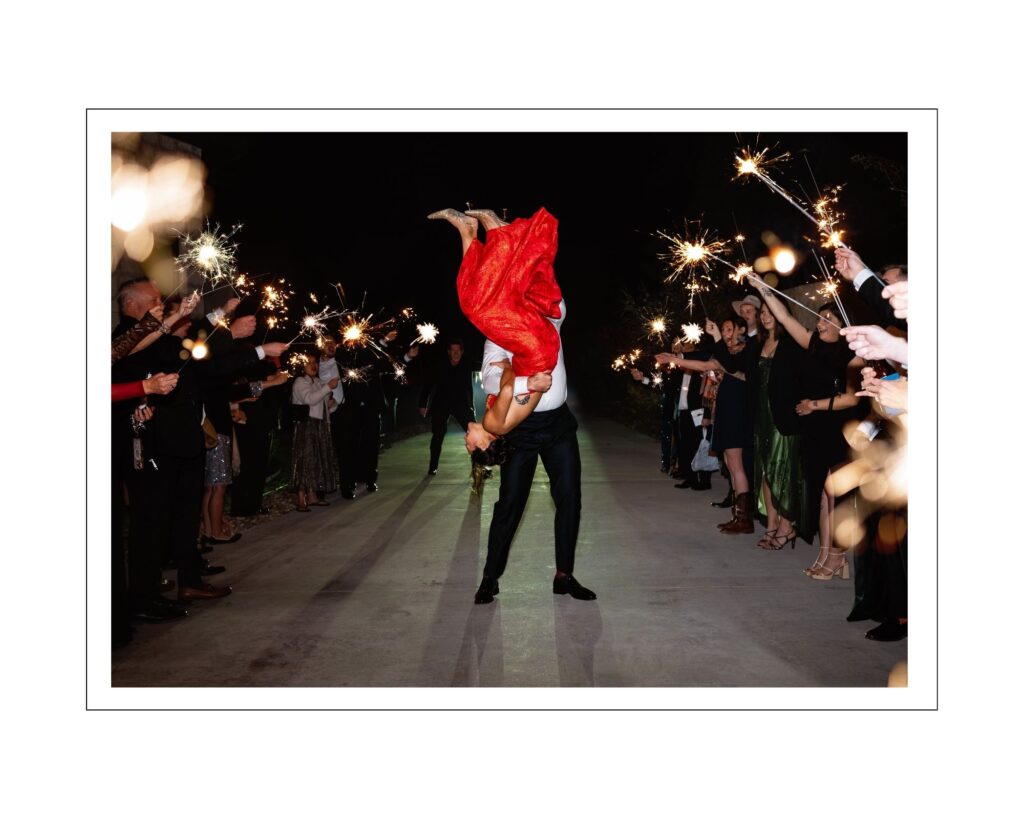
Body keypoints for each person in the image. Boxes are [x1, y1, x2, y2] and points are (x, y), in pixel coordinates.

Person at [431, 206, 596, 604]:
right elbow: (491, 374)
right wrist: (521, 378)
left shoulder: (543, 314)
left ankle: (564, 574)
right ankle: (491, 576)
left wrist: (514, 375)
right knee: (509, 505)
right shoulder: (501, 328)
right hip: (521, 434)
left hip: (557, 426)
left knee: (569, 497)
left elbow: (551, 298)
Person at [750, 272, 863, 580]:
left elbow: (851, 399)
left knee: (835, 495)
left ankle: (837, 557)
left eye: (827, 318)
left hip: (838, 430)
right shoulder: (812, 344)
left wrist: (814, 404)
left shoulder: (852, 357)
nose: (820, 322)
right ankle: (826, 555)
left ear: (843, 325)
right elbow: (786, 318)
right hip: (814, 432)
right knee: (822, 497)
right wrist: (764, 290)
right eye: (820, 317)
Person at [707, 300, 812, 549]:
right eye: (762, 313)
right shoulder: (756, 345)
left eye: (769, 312)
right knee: (764, 473)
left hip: (783, 418)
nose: (765, 317)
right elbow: (731, 365)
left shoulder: (790, 345)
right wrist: (716, 338)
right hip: (760, 417)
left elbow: (803, 376)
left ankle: (788, 527)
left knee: (782, 472)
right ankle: (772, 524)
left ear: (781, 313)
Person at [419, 338, 477, 475]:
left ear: (462, 352)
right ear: (449, 352)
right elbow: (428, 384)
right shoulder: (440, 365)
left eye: (458, 350)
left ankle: (478, 466)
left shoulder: (466, 364)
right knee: (438, 434)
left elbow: (469, 386)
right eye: (453, 350)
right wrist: (423, 404)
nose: (456, 353)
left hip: (460, 403)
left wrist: (471, 404)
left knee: (474, 432)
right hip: (441, 403)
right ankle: (433, 466)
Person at [291, 355, 339, 511]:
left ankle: (312, 495)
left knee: (316, 460)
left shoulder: (318, 382)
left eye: (314, 363)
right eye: (309, 363)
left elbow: (324, 404)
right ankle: (300, 497)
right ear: (301, 366)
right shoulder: (299, 382)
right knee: (305, 460)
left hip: (319, 425)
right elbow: (310, 399)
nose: (313, 365)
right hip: (307, 426)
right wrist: (328, 388)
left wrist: (332, 404)